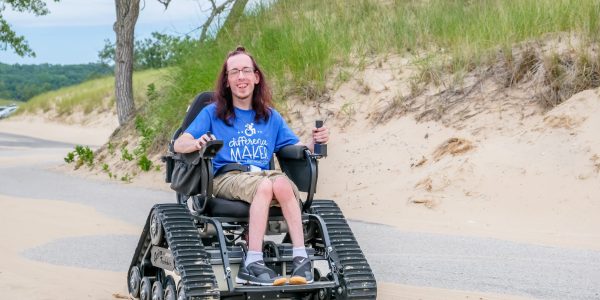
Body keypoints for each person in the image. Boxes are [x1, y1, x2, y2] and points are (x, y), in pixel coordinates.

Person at [174, 46, 329, 286]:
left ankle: (301, 258)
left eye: (246, 71)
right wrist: (195, 142)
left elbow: (295, 148)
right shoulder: (212, 113)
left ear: (256, 77)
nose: (241, 77)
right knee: (266, 186)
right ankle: (252, 264)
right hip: (227, 177)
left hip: (264, 175)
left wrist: (313, 142)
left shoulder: (270, 116)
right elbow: (179, 144)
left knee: (283, 185)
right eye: (234, 72)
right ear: (227, 81)